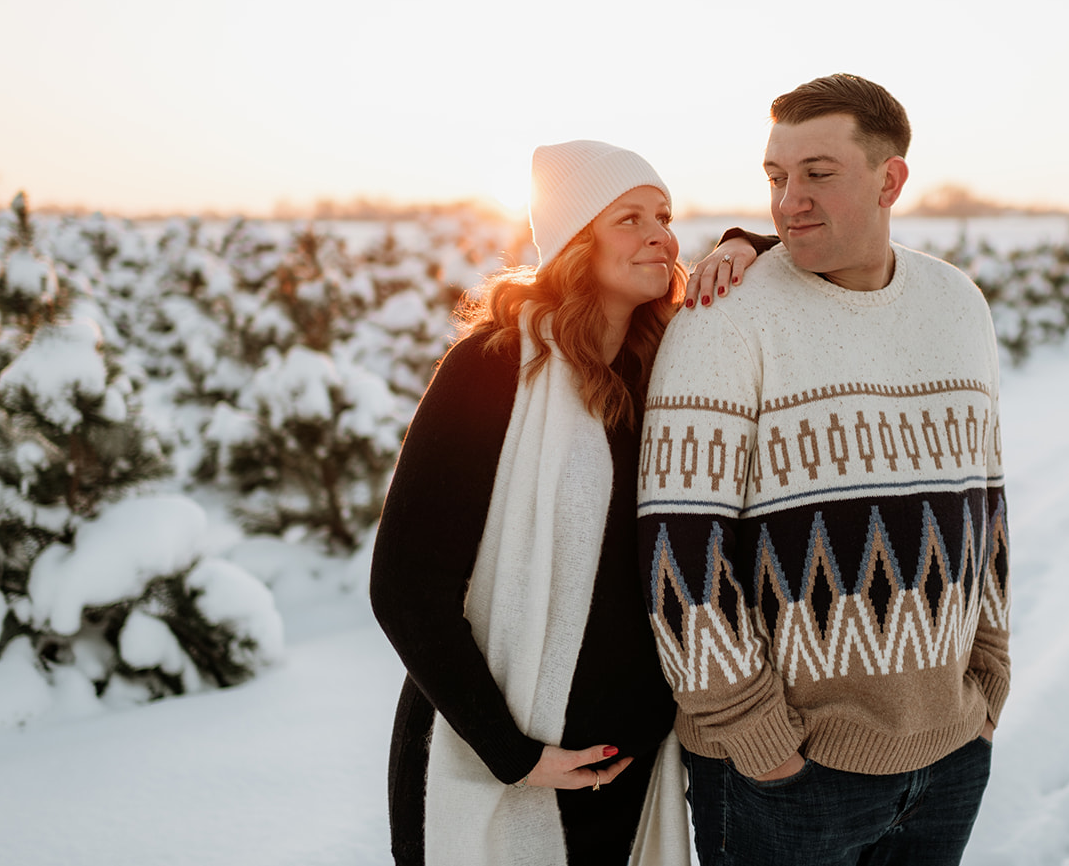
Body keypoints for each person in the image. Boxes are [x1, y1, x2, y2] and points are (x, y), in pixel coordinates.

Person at [636, 75, 1010, 865]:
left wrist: (990, 672)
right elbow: (678, 549)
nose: (788, 199)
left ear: (890, 179)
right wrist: (757, 737)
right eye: (775, 176)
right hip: (789, 776)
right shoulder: (725, 316)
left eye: (817, 172)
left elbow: (987, 508)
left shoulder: (958, 305)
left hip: (949, 755)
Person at [371, 139, 765, 866]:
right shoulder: (490, 370)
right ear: (576, 242)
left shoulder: (667, 366)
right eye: (629, 218)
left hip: (629, 771)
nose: (662, 235)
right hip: (501, 764)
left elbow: (811, 266)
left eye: (665, 214)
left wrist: (746, 245)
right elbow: (405, 588)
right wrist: (514, 755)